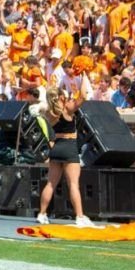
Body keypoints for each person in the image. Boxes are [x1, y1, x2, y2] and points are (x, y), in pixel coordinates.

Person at [36, 87, 92, 227]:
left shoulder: (49, 112)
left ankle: (42, 214)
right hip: (69, 147)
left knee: (50, 183)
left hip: (56, 147)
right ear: (61, 96)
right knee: (73, 184)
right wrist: (83, 76)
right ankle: (79, 216)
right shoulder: (67, 109)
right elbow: (83, 95)